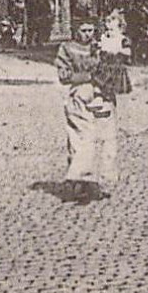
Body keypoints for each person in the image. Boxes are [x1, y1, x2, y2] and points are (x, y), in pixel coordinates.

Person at [54, 19, 120, 203]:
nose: (87, 34)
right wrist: (88, 77)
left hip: (102, 97)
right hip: (79, 98)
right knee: (81, 139)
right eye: (83, 30)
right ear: (75, 30)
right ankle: (76, 181)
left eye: (91, 30)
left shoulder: (100, 46)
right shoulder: (66, 49)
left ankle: (93, 183)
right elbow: (64, 75)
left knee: (102, 139)